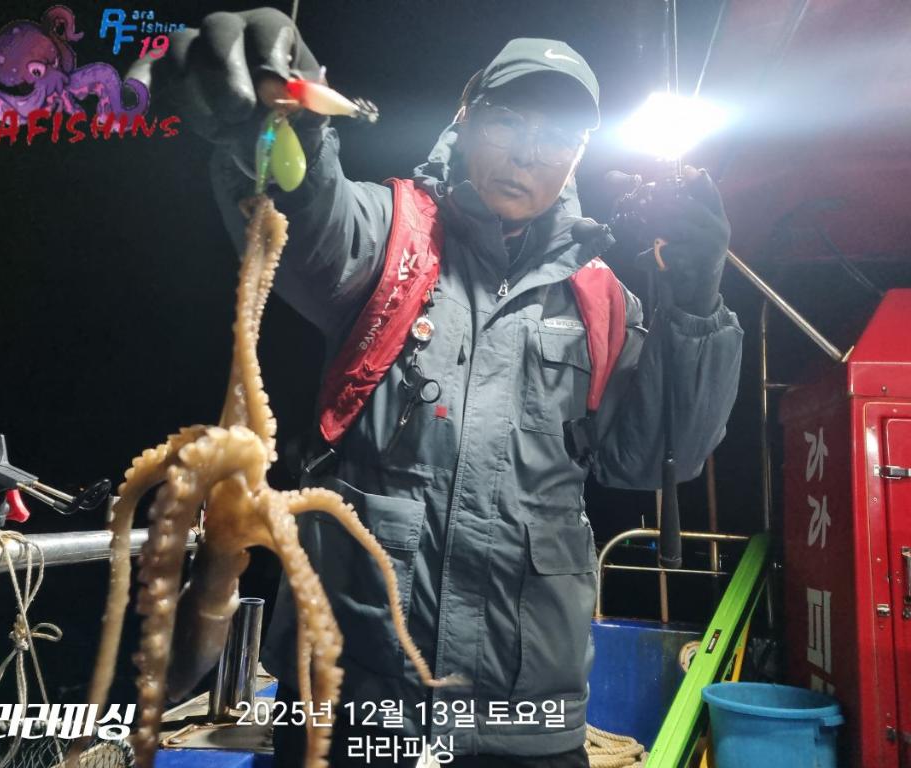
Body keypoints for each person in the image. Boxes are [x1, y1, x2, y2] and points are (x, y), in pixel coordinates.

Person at [137, 8, 742, 767]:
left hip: (532, 723)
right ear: (467, 114)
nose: (527, 152)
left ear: (579, 153)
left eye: (557, 135)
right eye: (508, 120)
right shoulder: (389, 234)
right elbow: (305, 217)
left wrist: (698, 303)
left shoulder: (604, 301)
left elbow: (658, 457)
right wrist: (281, 123)